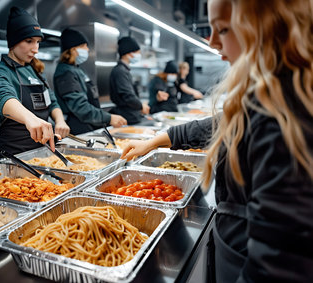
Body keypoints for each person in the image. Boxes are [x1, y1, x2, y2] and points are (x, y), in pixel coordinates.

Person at [122, 0, 313, 282]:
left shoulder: (282, 120)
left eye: (222, 29)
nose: (212, 43)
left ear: (267, 28)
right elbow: (220, 124)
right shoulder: (271, 95)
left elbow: (277, 265)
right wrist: (155, 141)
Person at [0, 7, 70, 159]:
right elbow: (2, 96)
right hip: (11, 156)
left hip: (39, 155)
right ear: (14, 42)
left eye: (38, 42)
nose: (36, 49)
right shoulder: (0, 72)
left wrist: (60, 121)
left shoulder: (35, 72)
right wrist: (29, 118)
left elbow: (52, 102)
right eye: (29, 41)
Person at [53, 28, 127, 134]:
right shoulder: (66, 73)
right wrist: (108, 118)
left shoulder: (77, 69)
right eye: (84, 46)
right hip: (78, 128)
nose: (87, 49)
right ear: (73, 49)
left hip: (88, 125)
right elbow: (80, 107)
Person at [109, 36, 150, 124]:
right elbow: (127, 95)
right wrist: (141, 106)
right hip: (126, 116)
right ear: (129, 53)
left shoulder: (124, 70)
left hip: (131, 115)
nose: (139, 55)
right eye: (138, 53)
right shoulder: (120, 71)